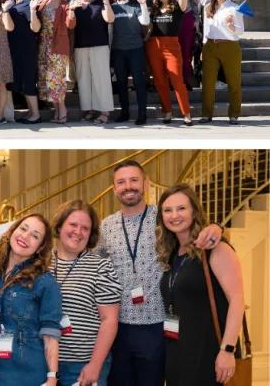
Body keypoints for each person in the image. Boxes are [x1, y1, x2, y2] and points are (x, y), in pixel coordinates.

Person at [97, 159, 223, 386]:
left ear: (145, 184)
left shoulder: (163, 217)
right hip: (118, 327)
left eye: (134, 180)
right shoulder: (106, 226)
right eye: (121, 182)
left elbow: (192, 229)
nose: (128, 187)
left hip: (157, 325)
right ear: (114, 188)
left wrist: (216, 227)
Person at [156, 184, 245, 386]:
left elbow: (237, 301)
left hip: (208, 352)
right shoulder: (172, 254)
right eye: (167, 210)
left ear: (194, 211)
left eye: (181, 208)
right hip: (178, 351)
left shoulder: (216, 249)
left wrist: (227, 350)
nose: (174, 215)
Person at [0, 213, 62, 386]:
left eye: (35, 236)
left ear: (40, 247)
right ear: (12, 231)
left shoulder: (45, 282)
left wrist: (52, 376)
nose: (25, 236)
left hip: (25, 374)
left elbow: (51, 335)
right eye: (23, 228)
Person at [49, 200, 121, 386]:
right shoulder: (41, 263)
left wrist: (95, 366)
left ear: (91, 234)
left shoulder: (101, 266)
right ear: (59, 226)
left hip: (82, 366)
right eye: (73, 224)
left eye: (85, 228)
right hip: (44, 363)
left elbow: (109, 320)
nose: (78, 232)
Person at [68, 0, 115, 124]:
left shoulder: (100, 3)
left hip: (99, 46)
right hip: (80, 47)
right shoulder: (74, 4)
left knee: (101, 79)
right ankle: (89, 109)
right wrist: (71, 9)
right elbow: (70, 26)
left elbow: (110, 19)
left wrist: (106, 2)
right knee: (84, 80)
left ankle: (104, 112)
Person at [200, 0, 244, 125]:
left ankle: (234, 114)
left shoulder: (234, 7)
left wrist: (231, 26)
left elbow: (240, 32)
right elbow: (206, 29)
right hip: (210, 47)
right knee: (207, 82)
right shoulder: (207, 7)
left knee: (234, 82)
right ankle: (206, 114)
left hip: (230, 46)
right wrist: (203, 46)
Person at [109, 0, 151, 125]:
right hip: (119, 50)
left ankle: (142, 114)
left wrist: (143, 4)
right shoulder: (113, 7)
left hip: (135, 49)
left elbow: (145, 22)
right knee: (121, 83)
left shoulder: (136, 6)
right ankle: (124, 112)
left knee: (139, 82)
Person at [34, 0, 73, 124]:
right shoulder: (42, 3)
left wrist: (72, 12)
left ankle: (62, 111)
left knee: (58, 80)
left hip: (58, 47)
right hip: (43, 46)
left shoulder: (65, 5)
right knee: (49, 81)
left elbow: (71, 24)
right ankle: (57, 111)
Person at [7, 0, 42, 124]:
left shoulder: (30, 4)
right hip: (15, 48)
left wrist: (33, 11)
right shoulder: (12, 2)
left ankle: (36, 115)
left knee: (28, 80)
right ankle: (31, 111)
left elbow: (36, 28)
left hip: (27, 48)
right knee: (21, 80)